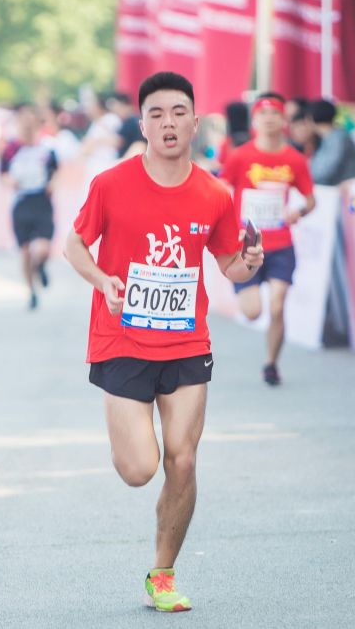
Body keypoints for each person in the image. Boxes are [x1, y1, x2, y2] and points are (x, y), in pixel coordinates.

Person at [64, 71, 264, 613]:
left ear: (195, 123)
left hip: (186, 343)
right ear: (143, 125)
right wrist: (102, 280)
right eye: (156, 114)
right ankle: (128, 435)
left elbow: (229, 264)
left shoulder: (215, 194)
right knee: (139, 469)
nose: (168, 123)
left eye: (178, 113)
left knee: (185, 460)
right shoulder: (111, 184)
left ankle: (163, 573)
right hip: (123, 340)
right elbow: (74, 245)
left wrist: (248, 263)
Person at [221, 92, 316, 387]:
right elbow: (221, 191)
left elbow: (310, 199)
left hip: (281, 244)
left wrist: (298, 212)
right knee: (253, 313)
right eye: (263, 114)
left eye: (275, 113)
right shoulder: (240, 156)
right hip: (246, 246)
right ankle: (248, 299)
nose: (269, 119)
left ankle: (271, 363)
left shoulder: (294, 159)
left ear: (283, 119)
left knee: (277, 305)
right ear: (254, 120)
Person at [1, 103, 58, 310]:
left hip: (41, 201)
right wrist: (10, 181)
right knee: (25, 252)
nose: (27, 126)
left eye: (31, 122)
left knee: (42, 249)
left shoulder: (47, 147)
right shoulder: (11, 149)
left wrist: (53, 184)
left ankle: (40, 265)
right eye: (23, 122)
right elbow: (3, 173)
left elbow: (56, 170)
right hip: (21, 202)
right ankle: (31, 290)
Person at [309, 99, 355, 185]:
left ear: (312, 118)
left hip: (341, 188)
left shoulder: (338, 138)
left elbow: (328, 170)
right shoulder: (330, 137)